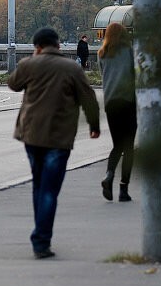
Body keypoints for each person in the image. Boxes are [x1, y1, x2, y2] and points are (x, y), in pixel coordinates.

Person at [8, 27, 101, 259]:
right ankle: (41, 240)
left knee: (39, 185)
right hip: (59, 138)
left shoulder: (29, 64)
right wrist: (94, 125)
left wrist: (31, 61)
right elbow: (88, 98)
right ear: (58, 45)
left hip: (31, 134)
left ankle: (40, 236)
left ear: (37, 47)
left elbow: (13, 84)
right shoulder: (72, 69)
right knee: (50, 189)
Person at [97, 22, 137, 202]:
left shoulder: (101, 54)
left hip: (110, 103)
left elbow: (103, 76)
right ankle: (123, 189)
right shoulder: (128, 51)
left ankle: (109, 174)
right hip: (127, 102)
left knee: (117, 145)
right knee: (128, 147)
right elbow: (135, 73)